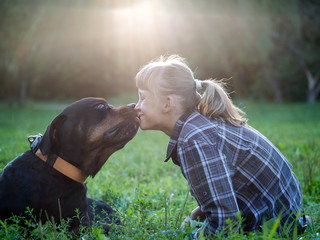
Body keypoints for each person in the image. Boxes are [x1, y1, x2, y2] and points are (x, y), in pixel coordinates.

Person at [134, 55, 306, 238]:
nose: (136, 106)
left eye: (142, 98)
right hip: (286, 211)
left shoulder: (195, 138)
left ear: (167, 104)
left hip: (279, 226)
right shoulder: (198, 127)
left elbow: (225, 226)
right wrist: (199, 214)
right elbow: (227, 183)